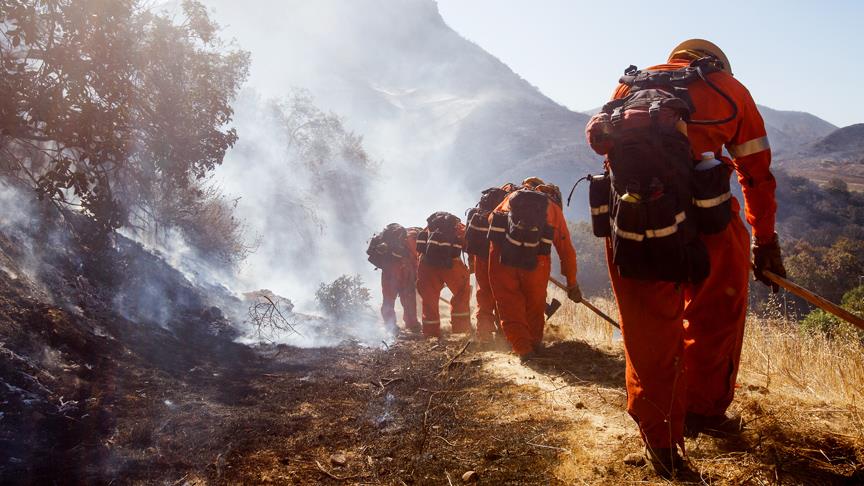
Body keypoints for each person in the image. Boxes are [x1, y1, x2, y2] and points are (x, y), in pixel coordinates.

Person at [585, 39, 785, 477]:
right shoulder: (729, 89)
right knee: (715, 319)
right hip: (710, 226)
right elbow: (757, 175)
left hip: (637, 225)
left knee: (649, 337)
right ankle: (705, 412)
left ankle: (662, 444)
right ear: (712, 60)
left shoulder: (627, 86)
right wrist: (764, 241)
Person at [487, 177, 580, 361]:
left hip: (502, 259)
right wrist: (572, 283)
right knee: (535, 304)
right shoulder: (553, 208)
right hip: (536, 263)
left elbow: (491, 219)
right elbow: (566, 250)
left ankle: (523, 350)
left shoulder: (512, 197)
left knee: (509, 305)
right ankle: (535, 344)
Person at [464, 185, 513, 342]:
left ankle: (483, 334)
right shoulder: (506, 210)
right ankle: (504, 332)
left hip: (481, 258)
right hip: (500, 259)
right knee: (502, 294)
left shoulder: (479, 213)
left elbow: (469, 241)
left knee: (484, 294)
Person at [415, 212, 472, 337]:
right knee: (461, 294)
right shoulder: (458, 227)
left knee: (429, 300)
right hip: (451, 264)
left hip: (427, 265)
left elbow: (418, 249)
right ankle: (461, 331)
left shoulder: (428, 229)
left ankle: (431, 333)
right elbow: (468, 244)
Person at [367, 223, 420, 333]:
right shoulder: (413, 239)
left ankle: (390, 326)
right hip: (404, 270)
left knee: (388, 299)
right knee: (408, 298)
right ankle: (412, 324)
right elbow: (416, 261)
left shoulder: (388, 239)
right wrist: (415, 277)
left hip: (388, 271)